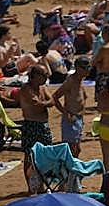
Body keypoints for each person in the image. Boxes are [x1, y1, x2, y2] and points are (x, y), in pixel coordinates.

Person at [17, 65, 53, 193]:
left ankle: (42, 186)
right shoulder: (26, 89)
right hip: (31, 125)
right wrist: (45, 104)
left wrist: (43, 104)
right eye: (43, 75)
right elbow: (36, 106)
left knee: (46, 156)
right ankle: (31, 187)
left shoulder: (42, 87)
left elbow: (52, 101)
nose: (46, 77)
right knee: (29, 157)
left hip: (43, 125)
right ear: (35, 76)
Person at [51, 55, 88, 156]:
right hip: (71, 118)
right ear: (77, 68)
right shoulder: (70, 81)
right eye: (85, 68)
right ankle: (69, 169)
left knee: (77, 149)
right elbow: (55, 96)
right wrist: (65, 112)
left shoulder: (81, 80)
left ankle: (72, 168)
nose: (87, 71)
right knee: (71, 149)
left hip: (79, 118)